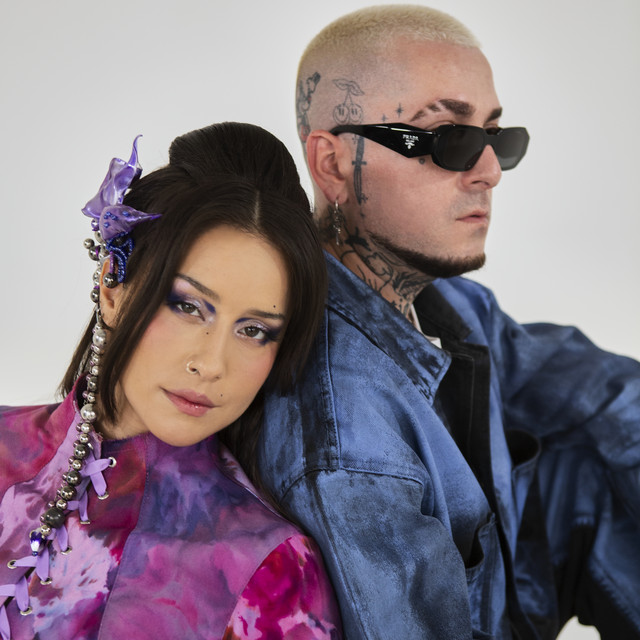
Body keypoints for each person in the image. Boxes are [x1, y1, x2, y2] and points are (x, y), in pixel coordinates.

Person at [257, 5, 640, 639]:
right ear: (332, 165)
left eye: (496, 138)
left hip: (514, 590)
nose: (489, 172)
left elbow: (590, 387)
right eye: (448, 138)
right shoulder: (346, 440)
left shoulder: (447, 302)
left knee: (587, 467)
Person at [0, 122, 342, 639]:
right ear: (112, 288)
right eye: (188, 306)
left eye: (254, 330)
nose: (212, 363)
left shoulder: (268, 572)